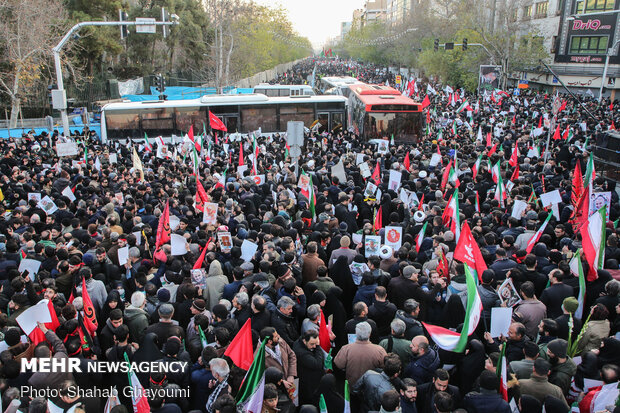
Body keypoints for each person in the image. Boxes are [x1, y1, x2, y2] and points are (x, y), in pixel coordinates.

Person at [334, 321, 387, 386]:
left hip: (352, 387)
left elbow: (339, 364)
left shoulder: (346, 349)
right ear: (370, 334)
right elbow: (385, 366)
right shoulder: (379, 350)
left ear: (356, 333)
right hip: (371, 387)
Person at [293, 329, 325, 406]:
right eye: (312, 344)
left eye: (315, 343)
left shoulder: (301, 342)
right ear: (304, 341)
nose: (314, 346)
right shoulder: (301, 353)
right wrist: (318, 347)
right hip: (308, 383)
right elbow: (317, 364)